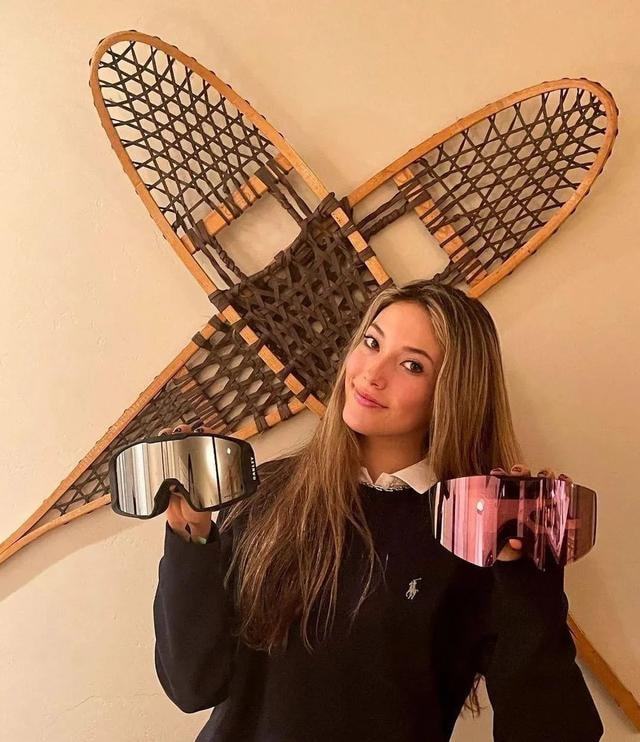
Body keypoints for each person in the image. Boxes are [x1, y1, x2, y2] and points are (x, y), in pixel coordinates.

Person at [153, 279, 604, 741]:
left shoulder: (472, 533)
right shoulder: (270, 489)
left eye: (412, 365)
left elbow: (552, 731)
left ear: (452, 393)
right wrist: (190, 532)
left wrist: (529, 572)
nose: (372, 374)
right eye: (372, 343)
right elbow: (193, 685)